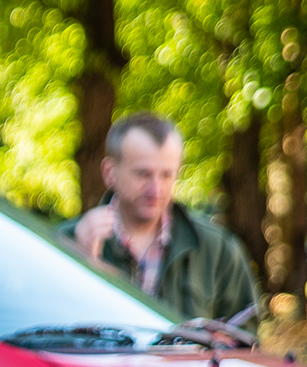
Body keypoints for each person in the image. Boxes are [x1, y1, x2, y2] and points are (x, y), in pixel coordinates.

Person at [61, 111, 259, 323]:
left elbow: (246, 340)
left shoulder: (218, 249)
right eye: (143, 174)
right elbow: (45, 334)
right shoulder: (63, 243)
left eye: (166, 175)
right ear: (110, 172)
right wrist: (84, 268)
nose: (155, 189)